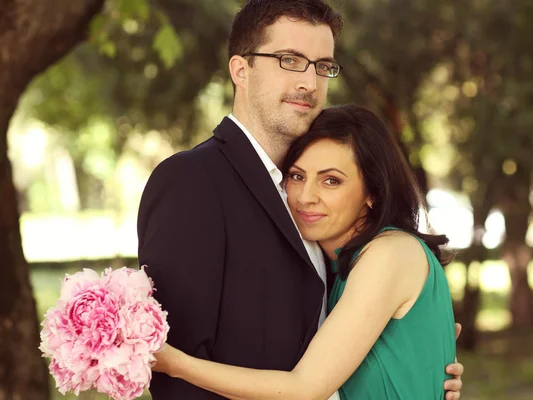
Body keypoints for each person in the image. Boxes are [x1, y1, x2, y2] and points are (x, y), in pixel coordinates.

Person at [137, 1, 464, 399]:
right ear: (241, 70)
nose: (310, 81)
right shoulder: (191, 182)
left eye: (322, 65)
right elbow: (174, 373)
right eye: (289, 60)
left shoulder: (319, 208)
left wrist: (417, 358)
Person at [152, 105, 458, 399]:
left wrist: (175, 363)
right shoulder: (337, 266)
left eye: (331, 181)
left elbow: (303, 390)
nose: (305, 197)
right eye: (297, 176)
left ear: (373, 193)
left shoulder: (389, 253)